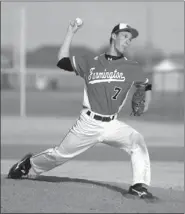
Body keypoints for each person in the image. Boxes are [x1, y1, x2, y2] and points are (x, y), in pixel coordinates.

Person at [8, 19, 153, 199]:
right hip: (88, 123)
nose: (127, 41)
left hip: (112, 124)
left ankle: (139, 186)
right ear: (113, 36)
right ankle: (28, 165)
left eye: (130, 39)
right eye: (124, 36)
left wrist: (146, 101)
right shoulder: (90, 62)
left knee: (137, 141)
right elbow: (62, 61)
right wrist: (71, 32)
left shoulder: (132, 67)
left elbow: (146, 85)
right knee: (60, 155)